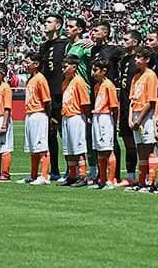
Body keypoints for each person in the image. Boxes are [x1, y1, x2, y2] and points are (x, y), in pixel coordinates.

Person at [39, 14, 68, 181]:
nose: (46, 24)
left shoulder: (65, 45)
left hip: (60, 94)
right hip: (47, 95)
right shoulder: (44, 46)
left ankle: (72, 169)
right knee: (50, 133)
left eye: (49, 22)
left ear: (57, 26)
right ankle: (54, 169)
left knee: (65, 132)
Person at [128, 46, 158, 192]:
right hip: (135, 114)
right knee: (140, 147)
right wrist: (130, 118)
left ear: (147, 59)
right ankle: (141, 180)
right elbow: (132, 99)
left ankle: (151, 181)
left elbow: (151, 101)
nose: (136, 60)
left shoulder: (151, 76)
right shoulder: (136, 77)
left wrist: (139, 120)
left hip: (146, 116)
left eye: (139, 57)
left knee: (150, 147)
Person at [60, 55, 91, 187]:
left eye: (65, 66)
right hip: (66, 116)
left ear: (74, 67)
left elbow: (85, 102)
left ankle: (82, 175)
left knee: (79, 148)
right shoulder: (65, 82)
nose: (63, 69)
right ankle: (72, 175)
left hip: (76, 116)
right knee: (69, 149)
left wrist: (87, 117)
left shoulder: (79, 82)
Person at [115, 30, 142, 187]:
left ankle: (146, 176)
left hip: (138, 106)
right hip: (125, 105)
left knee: (144, 144)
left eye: (126, 39)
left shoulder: (140, 60)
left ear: (135, 42)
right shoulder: (124, 59)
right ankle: (131, 176)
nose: (123, 42)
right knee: (128, 142)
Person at [90, 58, 120, 190]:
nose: (93, 73)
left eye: (95, 70)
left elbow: (114, 107)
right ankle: (102, 179)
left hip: (105, 117)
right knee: (99, 150)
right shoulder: (97, 86)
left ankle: (111, 180)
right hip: (97, 116)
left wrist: (115, 123)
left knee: (108, 149)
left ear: (104, 71)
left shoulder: (109, 85)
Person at [23, 54, 52, 186]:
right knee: (33, 147)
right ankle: (33, 175)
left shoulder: (40, 79)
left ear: (36, 64)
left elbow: (47, 100)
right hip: (30, 113)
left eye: (28, 62)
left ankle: (44, 176)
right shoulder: (31, 79)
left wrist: (49, 117)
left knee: (42, 147)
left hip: (39, 114)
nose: (25, 64)